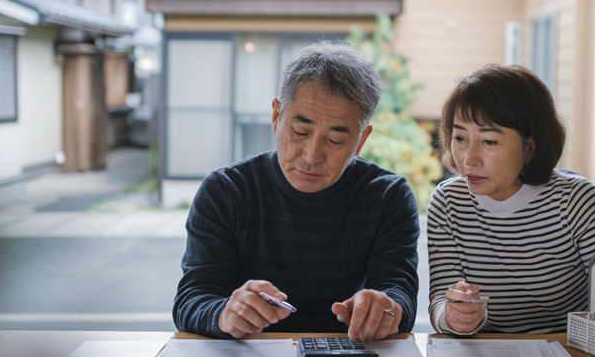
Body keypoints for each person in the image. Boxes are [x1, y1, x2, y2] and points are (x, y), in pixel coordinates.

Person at [173, 40, 419, 340]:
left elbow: (400, 293)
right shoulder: (226, 191)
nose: (312, 155)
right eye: (300, 131)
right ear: (276, 116)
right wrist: (224, 314)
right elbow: (192, 299)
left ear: (361, 140)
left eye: (336, 140)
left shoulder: (387, 196)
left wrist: (387, 309)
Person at [428, 64, 595, 335]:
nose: (469, 159)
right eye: (460, 138)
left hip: (570, 355)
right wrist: (453, 316)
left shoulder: (576, 201)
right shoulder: (448, 202)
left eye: (489, 142)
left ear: (529, 147)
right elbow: (440, 299)